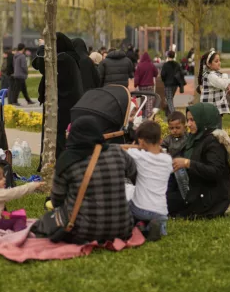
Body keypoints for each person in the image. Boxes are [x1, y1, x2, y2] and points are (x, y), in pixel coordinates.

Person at [32, 99, 137, 244]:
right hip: (123, 229)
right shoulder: (117, 152)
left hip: (83, 232)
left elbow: (57, 200)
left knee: (48, 219)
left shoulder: (66, 161)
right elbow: (134, 174)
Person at [167, 103, 230, 219]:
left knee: (160, 202)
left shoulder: (214, 142)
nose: (188, 124)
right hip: (194, 189)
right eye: (188, 120)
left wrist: (187, 163)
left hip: (208, 197)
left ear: (204, 119)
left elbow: (215, 172)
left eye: (192, 120)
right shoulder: (195, 138)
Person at [33, 33, 83, 161]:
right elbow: (38, 64)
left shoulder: (63, 58)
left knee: (57, 136)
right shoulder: (67, 57)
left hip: (61, 104)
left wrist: (42, 47)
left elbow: (43, 67)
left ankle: (55, 163)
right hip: (64, 103)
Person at [123, 120, 171, 239]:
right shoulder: (167, 159)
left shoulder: (138, 155)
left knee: (126, 204)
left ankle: (140, 226)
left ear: (141, 141)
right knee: (159, 220)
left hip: (140, 209)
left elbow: (121, 148)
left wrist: (135, 146)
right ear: (160, 140)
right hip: (161, 211)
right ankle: (157, 227)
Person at [0, 165, 45, 231]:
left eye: (3, 177)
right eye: (0, 179)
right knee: (19, 219)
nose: (4, 179)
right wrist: (32, 185)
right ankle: (21, 232)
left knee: (8, 214)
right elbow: (16, 192)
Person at [197, 49, 230, 120]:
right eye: (216, 61)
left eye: (219, 60)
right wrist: (225, 75)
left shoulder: (212, 74)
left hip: (212, 109)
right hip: (212, 110)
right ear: (209, 64)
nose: (219, 63)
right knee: (215, 130)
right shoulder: (211, 76)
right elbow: (224, 85)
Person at [159, 51, 186, 118]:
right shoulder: (177, 64)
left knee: (169, 99)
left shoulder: (165, 65)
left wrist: (164, 80)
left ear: (168, 56)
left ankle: (174, 114)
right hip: (175, 84)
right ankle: (167, 114)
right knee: (170, 99)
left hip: (168, 84)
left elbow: (162, 74)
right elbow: (181, 73)